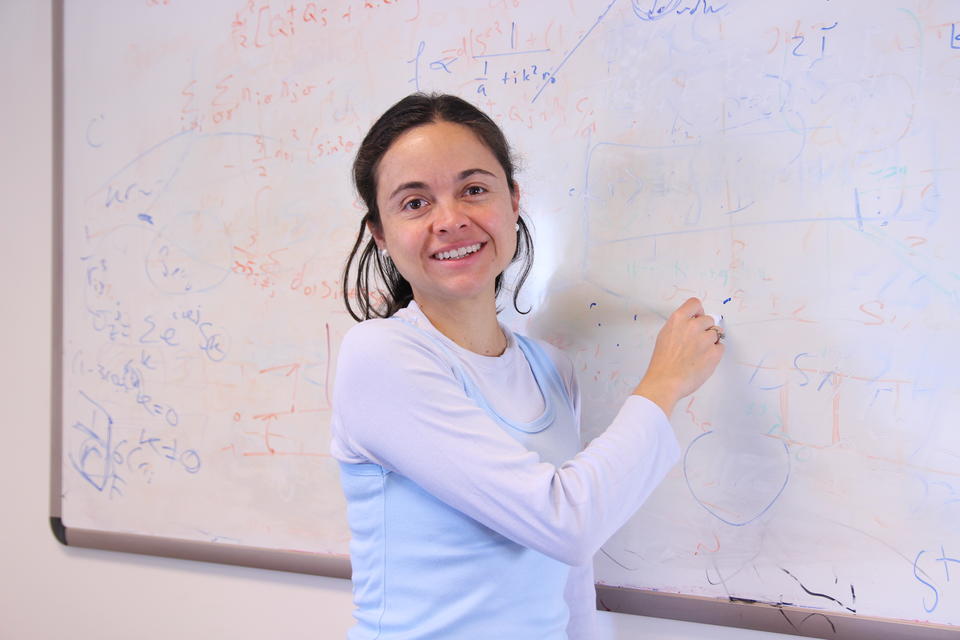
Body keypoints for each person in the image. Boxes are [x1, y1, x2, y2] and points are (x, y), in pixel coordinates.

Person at [330, 93, 724, 639]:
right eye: (415, 203)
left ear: (513, 200)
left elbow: (569, 573)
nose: (450, 220)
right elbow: (565, 522)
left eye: (473, 190)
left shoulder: (550, 369)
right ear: (380, 231)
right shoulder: (380, 357)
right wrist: (666, 380)